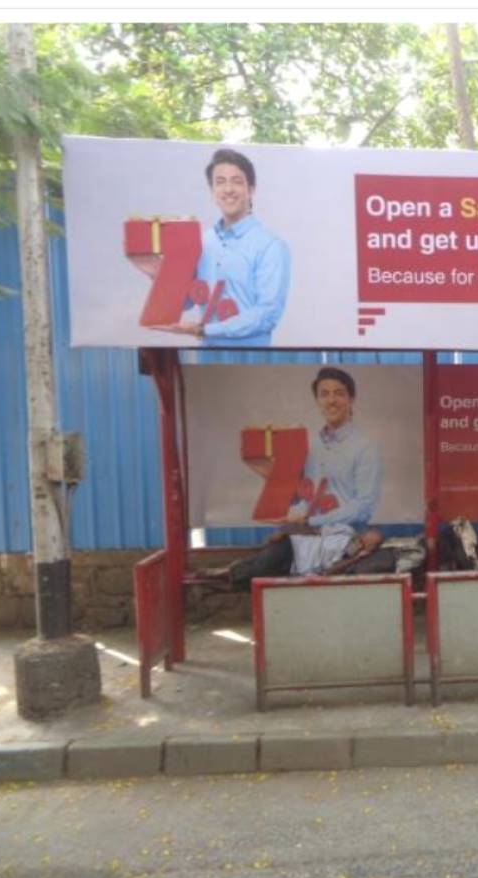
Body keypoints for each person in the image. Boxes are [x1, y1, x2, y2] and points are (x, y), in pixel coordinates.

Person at [199, 367, 383, 589]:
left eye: (339, 393)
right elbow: (298, 494)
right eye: (324, 394)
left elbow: (363, 506)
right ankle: (217, 580)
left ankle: (221, 579)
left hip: (345, 539)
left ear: (351, 399)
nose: (331, 400)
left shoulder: (365, 447)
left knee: (267, 570)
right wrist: (267, 472)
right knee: (266, 563)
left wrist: (310, 520)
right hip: (305, 537)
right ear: (317, 401)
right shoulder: (309, 445)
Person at [155, 148, 290, 348]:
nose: (228, 189)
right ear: (212, 191)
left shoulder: (271, 246)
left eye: (236, 181)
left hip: (254, 360)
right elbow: (186, 301)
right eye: (220, 182)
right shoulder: (201, 241)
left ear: (251, 189)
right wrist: (156, 271)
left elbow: (267, 315)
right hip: (205, 358)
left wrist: (204, 330)